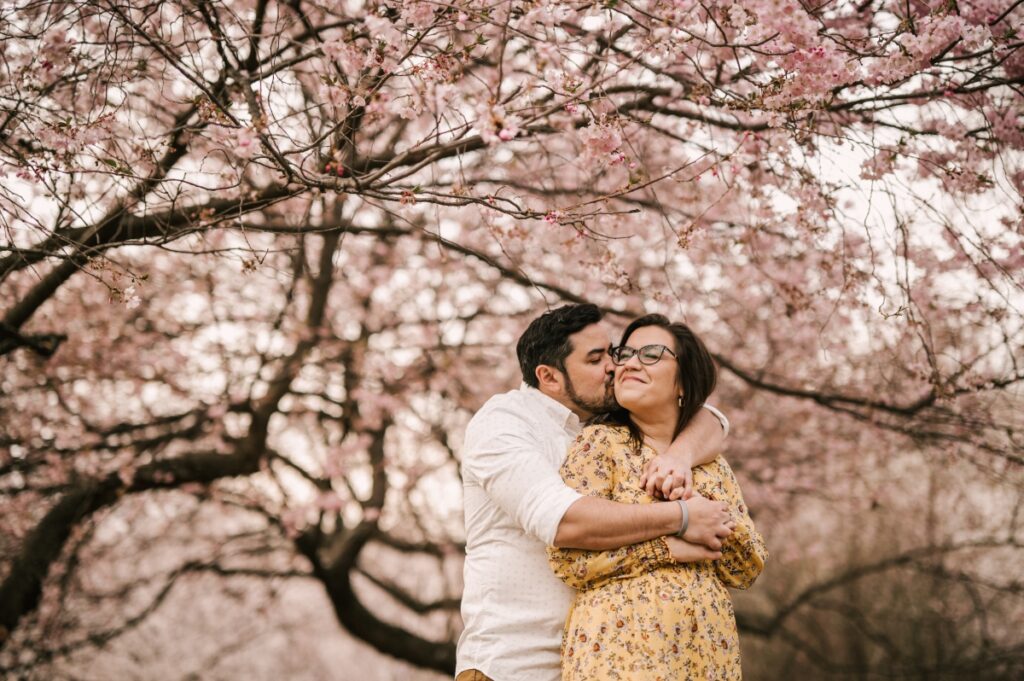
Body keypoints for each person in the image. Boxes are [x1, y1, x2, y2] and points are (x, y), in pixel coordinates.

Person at [456, 304, 735, 681]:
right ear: (549, 377)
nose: (614, 366)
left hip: (595, 662)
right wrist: (682, 518)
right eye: (595, 358)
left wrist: (680, 456)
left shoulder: (608, 428)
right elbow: (564, 522)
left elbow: (710, 416)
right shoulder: (505, 422)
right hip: (513, 665)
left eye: (611, 352)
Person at [548, 314, 768, 681]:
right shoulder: (600, 445)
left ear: (683, 381)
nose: (630, 362)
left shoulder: (712, 464)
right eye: (626, 354)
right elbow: (568, 562)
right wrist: (666, 546)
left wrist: (703, 506)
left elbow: (747, 567)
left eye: (651, 354)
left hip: (707, 660)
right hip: (618, 658)